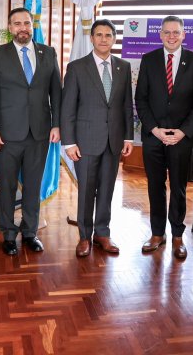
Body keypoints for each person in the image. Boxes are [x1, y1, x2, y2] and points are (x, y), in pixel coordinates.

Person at [0, 8, 62, 256]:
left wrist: (57, 124)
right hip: (5, 135)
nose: (23, 27)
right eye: (17, 23)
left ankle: (30, 232)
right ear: (10, 27)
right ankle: (8, 233)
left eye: (26, 22)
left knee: (33, 186)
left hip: (39, 133)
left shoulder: (48, 53)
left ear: (32, 25)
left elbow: (56, 93)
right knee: (6, 186)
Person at [135, 15, 193, 259]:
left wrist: (184, 131)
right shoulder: (149, 60)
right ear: (160, 34)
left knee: (178, 187)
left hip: (181, 137)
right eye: (167, 32)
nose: (171, 36)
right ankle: (158, 233)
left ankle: (177, 235)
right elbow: (141, 99)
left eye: (176, 32)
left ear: (184, 34)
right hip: (153, 136)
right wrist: (153, 128)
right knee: (155, 186)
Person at [61, 19, 133, 257]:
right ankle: (84, 236)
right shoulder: (77, 67)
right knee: (86, 190)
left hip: (113, 142)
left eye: (108, 35)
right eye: (99, 35)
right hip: (85, 142)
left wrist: (128, 138)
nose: (103, 39)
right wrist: (69, 143)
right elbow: (68, 108)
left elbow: (125, 106)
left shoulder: (123, 67)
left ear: (114, 39)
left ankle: (102, 232)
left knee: (107, 189)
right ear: (91, 38)